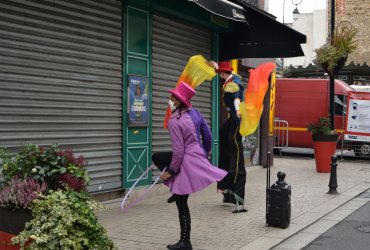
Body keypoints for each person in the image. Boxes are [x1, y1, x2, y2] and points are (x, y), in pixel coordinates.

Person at [152, 81, 227, 250]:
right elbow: (207, 135)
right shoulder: (196, 113)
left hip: (185, 160)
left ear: (178, 101)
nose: (169, 99)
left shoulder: (174, 121)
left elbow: (178, 151)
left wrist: (171, 172)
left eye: (172, 97)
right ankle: (174, 189)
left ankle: (185, 242)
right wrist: (205, 153)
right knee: (157, 156)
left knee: (181, 202)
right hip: (197, 155)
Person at [210, 61, 247, 212]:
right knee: (223, 134)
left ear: (223, 73)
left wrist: (238, 112)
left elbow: (237, 98)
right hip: (232, 120)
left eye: (219, 73)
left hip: (237, 120)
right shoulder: (230, 79)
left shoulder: (233, 84)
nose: (219, 76)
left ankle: (236, 192)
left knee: (235, 153)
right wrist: (214, 66)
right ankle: (226, 188)